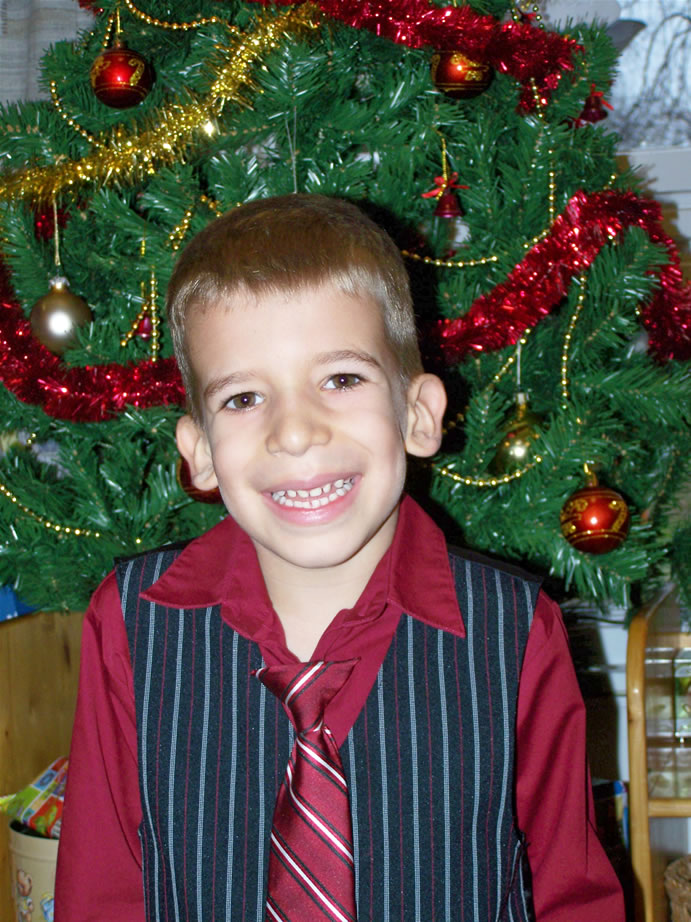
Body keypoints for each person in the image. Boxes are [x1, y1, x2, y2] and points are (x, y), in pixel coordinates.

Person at [55, 194, 624, 921]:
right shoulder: (131, 624)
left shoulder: (514, 632)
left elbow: (571, 892)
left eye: (341, 380)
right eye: (243, 398)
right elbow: (100, 889)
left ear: (417, 414)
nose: (295, 432)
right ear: (198, 453)